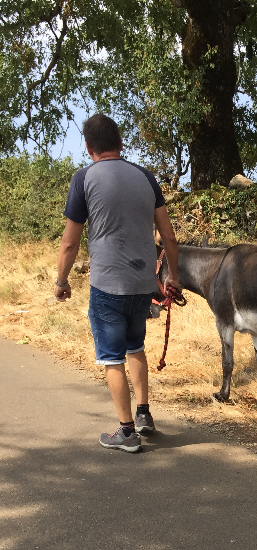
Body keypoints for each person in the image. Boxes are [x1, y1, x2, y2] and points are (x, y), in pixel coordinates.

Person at [54, 113, 180, 452]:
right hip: (143, 284)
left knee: (112, 357)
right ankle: (143, 414)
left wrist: (61, 280)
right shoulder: (146, 177)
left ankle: (126, 433)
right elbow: (168, 235)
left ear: (88, 147)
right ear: (121, 144)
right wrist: (173, 277)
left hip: (107, 285)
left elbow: (69, 242)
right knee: (135, 346)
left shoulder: (83, 179)